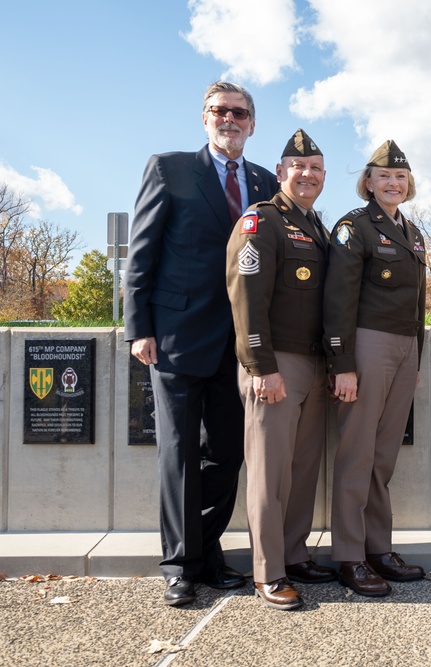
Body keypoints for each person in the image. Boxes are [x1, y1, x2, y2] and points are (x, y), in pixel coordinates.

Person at [124, 81, 278, 606]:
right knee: (179, 453)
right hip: (175, 338)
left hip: (238, 344)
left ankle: (207, 553)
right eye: (219, 111)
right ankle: (178, 564)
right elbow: (140, 253)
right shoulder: (169, 168)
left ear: (252, 123)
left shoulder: (262, 181)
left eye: (239, 112)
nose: (229, 119)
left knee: (228, 453)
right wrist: (137, 327)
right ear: (204, 118)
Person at [226, 129, 336, 611]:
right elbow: (246, 298)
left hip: (314, 364)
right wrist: (261, 366)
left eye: (315, 167)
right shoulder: (261, 221)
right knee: (270, 473)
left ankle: (295, 554)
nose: (306, 174)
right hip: (276, 365)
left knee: (303, 468)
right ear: (279, 173)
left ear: (324, 176)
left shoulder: (318, 227)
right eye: (298, 166)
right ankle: (269, 572)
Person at [324, 140, 428, 597]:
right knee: (357, 452)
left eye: (400, 177)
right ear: (367, 182)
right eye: (383, 176)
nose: (393, 183)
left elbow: (419, 305)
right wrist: (342, 364)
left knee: (383, 455)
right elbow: (338, 300)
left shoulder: (414, 232)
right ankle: (349, 554)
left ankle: (378, 549)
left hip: (405, 350)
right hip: (367, 345)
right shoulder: (353, 228)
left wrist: (417, 359)